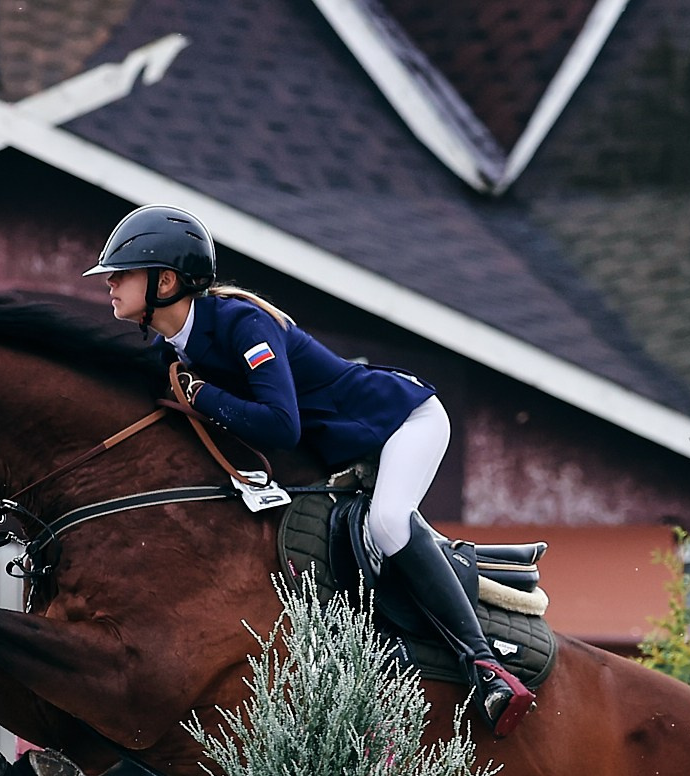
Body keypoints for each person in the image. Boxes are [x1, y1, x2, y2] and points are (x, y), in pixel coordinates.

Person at [85, 206, 533, 734]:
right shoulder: (173, 349)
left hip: (401, 421)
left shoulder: (242, 324)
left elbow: (281, 426)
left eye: (122, 273)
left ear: (165, 282)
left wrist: (202, 395)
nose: (110, 283)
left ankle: (486, 667)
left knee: (389, 522)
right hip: (341, 451)